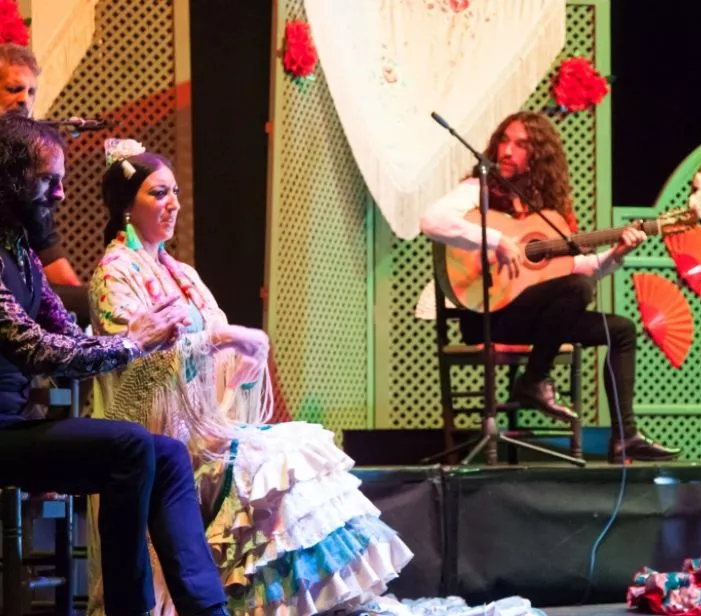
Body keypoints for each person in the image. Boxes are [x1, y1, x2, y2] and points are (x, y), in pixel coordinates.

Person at [87, 139, 413, 616]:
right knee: (286, 458)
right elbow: (133, 365)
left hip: (203, 426)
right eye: (158, 193)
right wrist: (224, 342)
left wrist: (239, 356)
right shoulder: (112, 273)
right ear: (125, 207)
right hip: (157, 433)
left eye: (175, 191)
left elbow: (215, 334)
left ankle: (310, 604)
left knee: (301, 448)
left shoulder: (181, 272)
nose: (173, 203)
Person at [0, 114, 239, 616]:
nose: (62, 195)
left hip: (17, 427)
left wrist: (142, 339)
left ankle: (207, 611)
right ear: (11, 177)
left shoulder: (20, 254)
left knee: (168, 454)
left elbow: (66, 337)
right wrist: (130, 343)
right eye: (50, 181)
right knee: (130, 446)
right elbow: (36, 350)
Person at [419, 110, 681, 463]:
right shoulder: (479, 189)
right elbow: (431, 221)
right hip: (489, 315)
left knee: (621, 328)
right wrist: (497, 240)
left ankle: (625, 437)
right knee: (578, 289)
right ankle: (534, 381)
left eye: (521, 145)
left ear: (539, 155)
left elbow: (575, 267)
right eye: (504, 141)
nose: (507, 151)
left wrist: (617, 253)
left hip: (536, 319)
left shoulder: (546, 213)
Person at [0, 42, 88, 323]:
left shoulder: (32, 155)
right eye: (14, 89)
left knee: (91, 305)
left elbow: (46, 247)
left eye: (31, 91)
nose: (25, 99)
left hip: (21, 279)